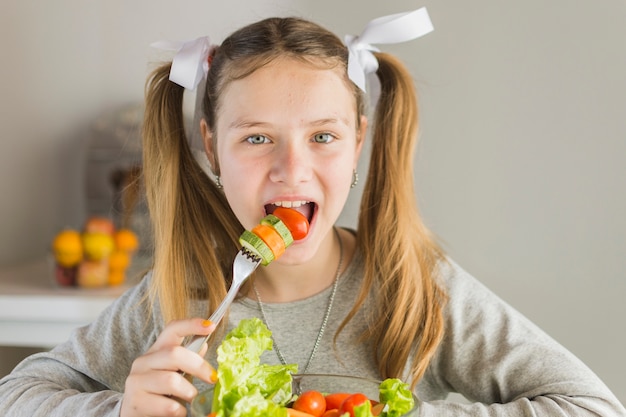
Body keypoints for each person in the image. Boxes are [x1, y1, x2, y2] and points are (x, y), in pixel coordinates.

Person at [1, 7, 624, 417]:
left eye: (321, 137)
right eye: (256, 137)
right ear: (213, 146)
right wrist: (120, 410)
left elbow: (594, 407)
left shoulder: (415, 289)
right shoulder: (178, 297)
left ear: (357, 142)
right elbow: (16, 395)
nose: (291, 170)